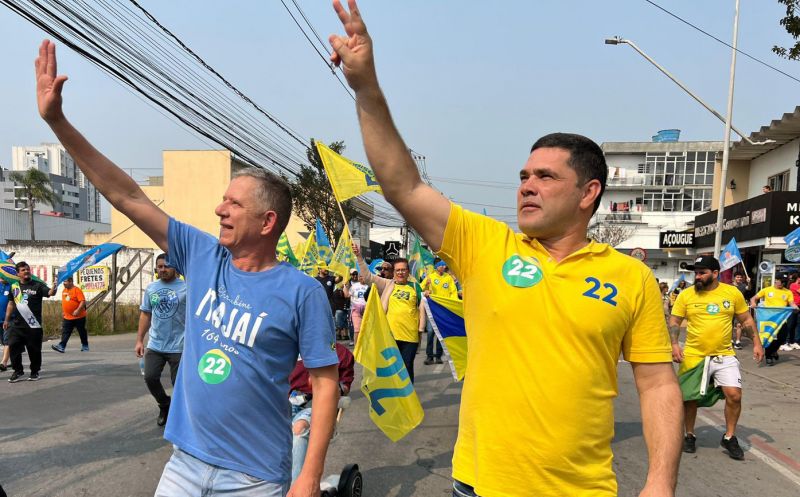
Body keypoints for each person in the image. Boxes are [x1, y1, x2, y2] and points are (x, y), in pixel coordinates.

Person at [329, 3, 683, 495]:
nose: (526, 187)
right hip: (480, 483)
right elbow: (403, 187)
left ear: (589, 193)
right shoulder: (484, 244)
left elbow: (658, 384)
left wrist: (660, 481)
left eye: (545, 177)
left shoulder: (632, 278)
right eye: (523, 177)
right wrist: (366, 88)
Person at [36, 39, 339, 496]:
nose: (220, 209)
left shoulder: (302, 292)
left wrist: (310, 476)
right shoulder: (203, 255)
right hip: (184, 465)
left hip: (254, 477)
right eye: (223, 199)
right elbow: (128, 196)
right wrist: (58, 121)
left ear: (267, 221)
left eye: (233, 203)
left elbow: (325, 382)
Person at [669, 256, 764, 461]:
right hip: (694, 355)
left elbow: (746, 319)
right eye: (696, 272)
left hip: (724, 355)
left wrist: (757, 343)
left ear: (715, 273)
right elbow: (675, 320)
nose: (698, 276)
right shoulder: (686, 295)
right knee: (690, 399)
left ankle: (729, 437)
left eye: (702, 272)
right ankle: (690, 434)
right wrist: (674, 344)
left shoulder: (731, 293)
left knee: (734, 395)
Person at [288, 343, 355, 485]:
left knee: (300, 427)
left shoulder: (340, 353)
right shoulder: (288, 347)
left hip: (315, 405)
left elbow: (345, 387)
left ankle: (296, 489)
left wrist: (328, 385)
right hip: (284, 403)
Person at [356, 250, 426, 384]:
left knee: (406, 370)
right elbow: (367, 277)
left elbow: (423, 307)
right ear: (394, 272)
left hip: (410, 338)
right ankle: (394, 402)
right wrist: (359, 257)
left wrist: (427, 296)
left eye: (403, 270)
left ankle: (408, 402)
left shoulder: (415, 287)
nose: (400, 272)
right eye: (398, 270)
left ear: (408, 271)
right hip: (389, 337)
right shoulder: (388, 285)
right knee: (390, 372)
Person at [134, 254, 187, 427]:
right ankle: (164, 405)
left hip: (180, 345)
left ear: (175, 268)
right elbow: (146, 314)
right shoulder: (151, 288)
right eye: (160, 267)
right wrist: (139, 340)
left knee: (178, 384)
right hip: (156, 344)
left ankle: (180, 417)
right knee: (150, 377)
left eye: (166, 266)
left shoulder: (187, 287)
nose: (163, 269)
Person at [3, 261, 53, 382]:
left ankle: (35, 372)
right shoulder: (14, 287)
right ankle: (18, 371)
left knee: (34, 350)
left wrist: (54, 287)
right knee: (13, 346)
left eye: (27, 269)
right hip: (16, 324)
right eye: (23, 270)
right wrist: (6, 319)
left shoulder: (38, 285)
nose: (26, 271)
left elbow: (50, 293)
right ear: (18, 273)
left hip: (33, 325)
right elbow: (11, 303)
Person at [750, 277, 797, 365]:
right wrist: (753, 303)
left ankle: (774, 351)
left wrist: (795, 307)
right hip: (768, 318)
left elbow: (791, 303)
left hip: (781, 319)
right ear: (775, 280)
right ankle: (768, 357)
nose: (781, 284)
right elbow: (753, 298)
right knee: (769, 337)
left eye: (784, 282)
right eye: (780, 282)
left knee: (782, 337)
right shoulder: (767, 290)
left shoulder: (788, 292)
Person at [421, 261, 457, 365]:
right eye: (441, 265)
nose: (444, 267)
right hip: (432, 309)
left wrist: (451, 305)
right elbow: (420, 288)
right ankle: (429, 356)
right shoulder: (430, 277)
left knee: (440, 334)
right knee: (431, 333)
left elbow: (453, 292)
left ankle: (438, 356)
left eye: (444, 265)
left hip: (443, 310)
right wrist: (425, 288)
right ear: (436, 267)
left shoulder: (448, 278)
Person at [50, 276, 89, 353]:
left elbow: (82, 301)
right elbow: (65, 302)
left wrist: (78, 310)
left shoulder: (76, 290)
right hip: (67, 317)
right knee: (65, 332)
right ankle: (62, 346)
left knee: (82, 331)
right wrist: (64, 311)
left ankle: (85, 346)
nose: (64, 283)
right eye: (63, 282)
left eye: (65, 281)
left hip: (79, 316)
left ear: (71, 282)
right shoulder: (64, 290)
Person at [343, 270, 367, 346]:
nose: (361, 278)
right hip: (356, 309)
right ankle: (356, 349)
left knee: (366, 329)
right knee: (357, 329)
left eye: (362, 276)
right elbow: (347, 295)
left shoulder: (369, 285)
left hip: (367, 309)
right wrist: (345, 286)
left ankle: (366, 346)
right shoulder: (354, 286)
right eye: (360, 276)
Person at [732, 272, 752, 349]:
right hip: (730, 307)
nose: (739, 278)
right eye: (737, 277)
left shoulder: (743, 286)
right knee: (729, 325)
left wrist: (749, 282)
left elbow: (749, 288)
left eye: (740, 277)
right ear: (734, 278)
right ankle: (730, 341)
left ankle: (738, 342)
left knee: (739, 325)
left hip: (740, 308)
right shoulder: (729, 286)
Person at [785, 273, 800, 351]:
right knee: (790, 324)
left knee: (798, 324)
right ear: (798, 278)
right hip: (793, 307)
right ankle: (786, 342)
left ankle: (794, 341)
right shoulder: (793, 285)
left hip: (799, 307)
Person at [0, 280, 10, 372]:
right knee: (3, 341)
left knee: (7, 341)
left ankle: (4, 363)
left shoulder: (13, 286)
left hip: (9, 320)